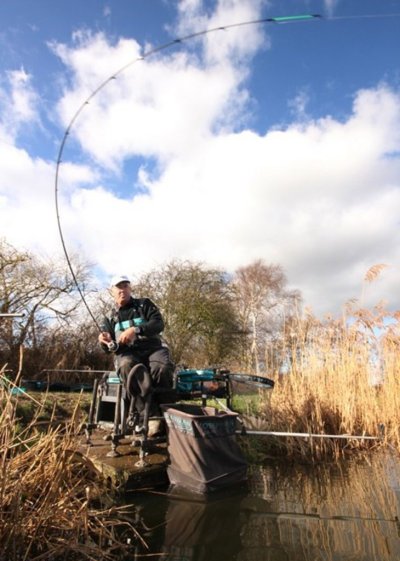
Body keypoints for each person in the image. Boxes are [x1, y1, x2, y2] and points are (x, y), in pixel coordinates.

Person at [98, 275, 174, 429]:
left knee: (162, 367)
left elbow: (158, 324)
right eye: (119, 287)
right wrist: (103, 341)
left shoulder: (144, 304)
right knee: (126, 365)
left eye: (125, 286)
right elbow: (108, 349)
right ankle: (148, 417)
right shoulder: (109, 318)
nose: (122, 290)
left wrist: (136, 330)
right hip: (128, 354)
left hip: (153, 349)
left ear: (130, 288)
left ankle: (168, 413)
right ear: (112, 291)